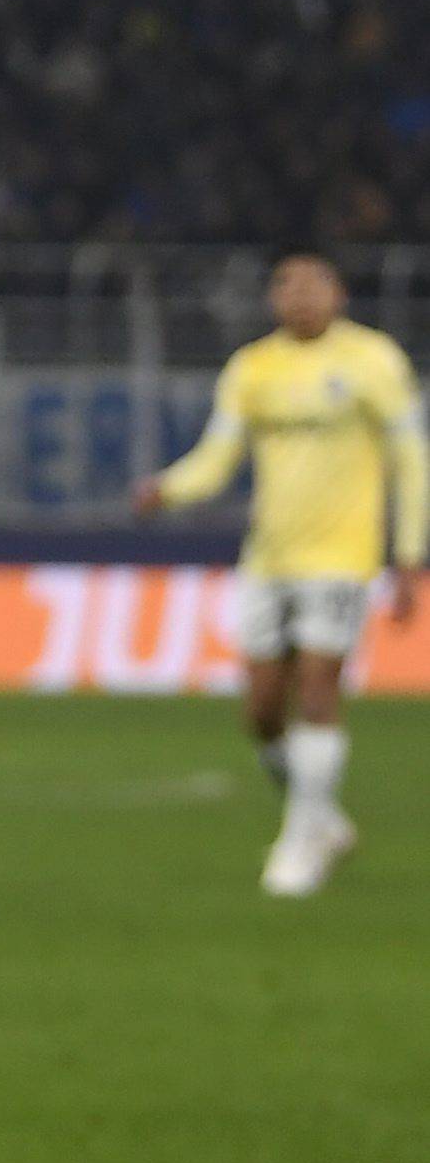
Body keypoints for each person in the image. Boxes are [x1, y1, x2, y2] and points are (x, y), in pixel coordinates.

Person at [132, 251, 424, 897]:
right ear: (272, 300)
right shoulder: (253, 367)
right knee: (262, 712)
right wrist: (168, 490)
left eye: (312, 283)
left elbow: (410, 458)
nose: (299, 296)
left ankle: (299, 843)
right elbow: (216, 458)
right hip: (267, 558)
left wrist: (407, 554)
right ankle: (321, 818)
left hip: (343, 557)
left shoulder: (373, 362)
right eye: (285, 285)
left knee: (318, 687)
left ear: (338, 294)